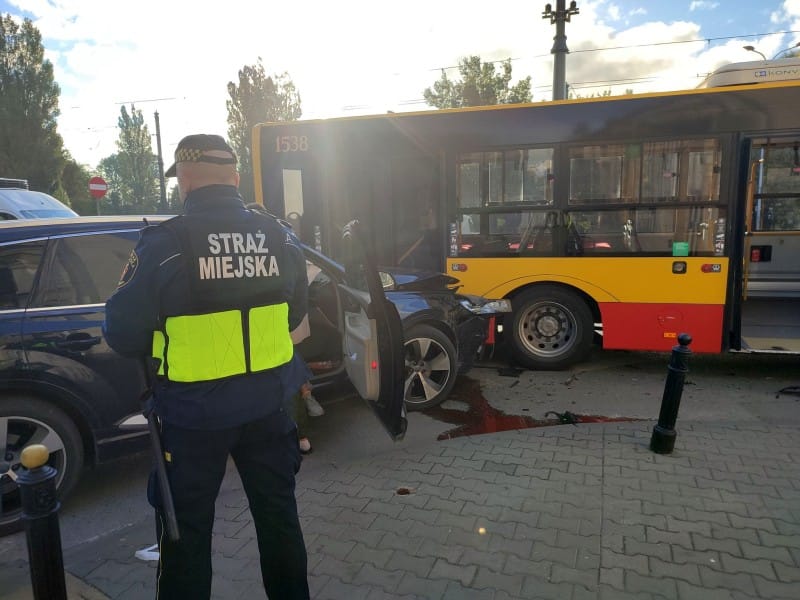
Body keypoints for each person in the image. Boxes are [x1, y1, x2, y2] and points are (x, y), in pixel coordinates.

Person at [103, 134, 310, 599]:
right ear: (235, 177)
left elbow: (121, 334)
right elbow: (295, 314)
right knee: (280, 524)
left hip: (193, 418)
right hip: (268, 408)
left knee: (186, 537)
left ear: (186, 179)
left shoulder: (165, 243)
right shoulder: (279, 236)